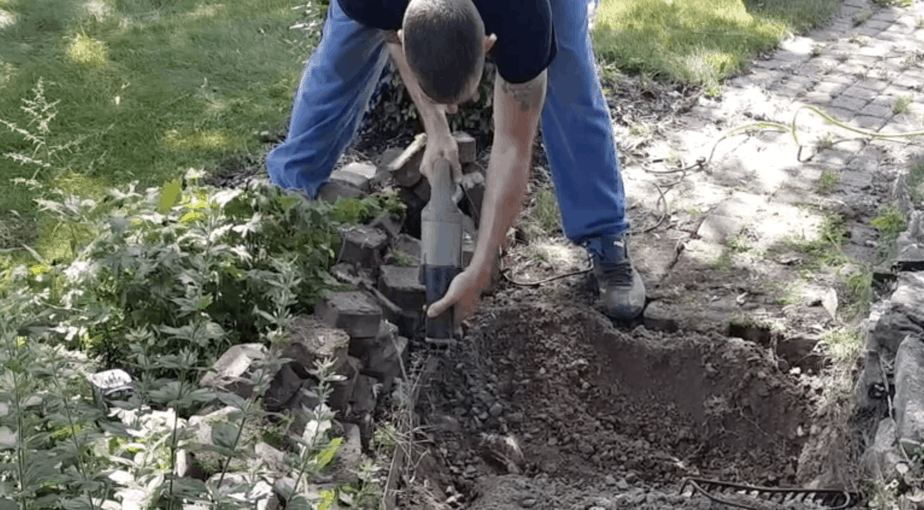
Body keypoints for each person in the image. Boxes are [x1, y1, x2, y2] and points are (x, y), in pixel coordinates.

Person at [265, 0, 646, 321]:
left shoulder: (524, 15)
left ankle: (604, 232)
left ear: (488, 43)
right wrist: (435, 129)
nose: (452, 109)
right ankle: (287, 194)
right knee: (342, 52)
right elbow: (390, 33)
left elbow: (514, 143)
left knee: (568, 67)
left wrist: (479, 270)